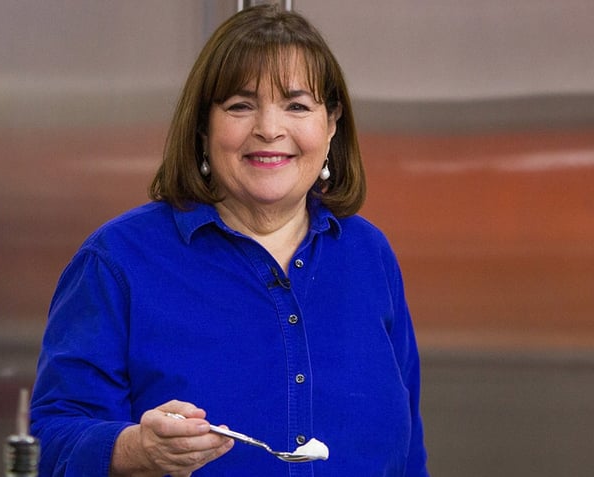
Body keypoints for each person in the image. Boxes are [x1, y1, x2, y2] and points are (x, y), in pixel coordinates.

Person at [31, 4, 429, 476]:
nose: (269, 129)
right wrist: (135, 448)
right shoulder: (118, 261)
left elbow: (409, 457)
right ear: (203, 127)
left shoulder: (370, 255)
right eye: (241, 106)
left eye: (297, 106)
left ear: (332, 124)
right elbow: (48, 443)